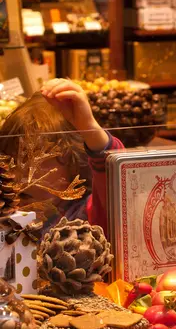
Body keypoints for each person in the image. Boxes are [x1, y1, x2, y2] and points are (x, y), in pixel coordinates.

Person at [0, 78, 124, 235]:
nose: (19, 170)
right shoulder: (8, 206)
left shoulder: (87, 215)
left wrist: (89, 127)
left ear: (74, 167)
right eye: (11, 156)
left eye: (38, 154)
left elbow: (114, 173)